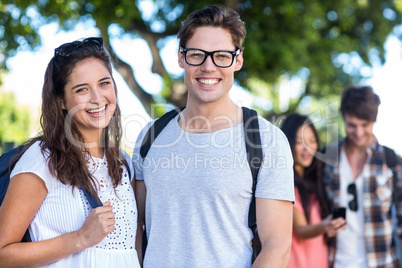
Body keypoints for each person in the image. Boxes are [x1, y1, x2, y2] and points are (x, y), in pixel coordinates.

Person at [132, 5, 294, 268]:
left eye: (221, 56)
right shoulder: (150, 137)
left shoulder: (267, 140)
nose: (208, 67)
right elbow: (135, 227)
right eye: (197, 54)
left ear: (237, 60)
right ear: (181, 58)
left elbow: (277, 247)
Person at [0, 37, 141, 267]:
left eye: (104, 83)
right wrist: (80, 238)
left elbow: (132, 249)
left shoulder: (124, 162)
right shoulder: (42, 159)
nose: (97, 98)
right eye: (82, 89)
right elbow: (2, 253)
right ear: (62, 100)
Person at [322, 86, 402, 268]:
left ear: (374, 120)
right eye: (351, 125)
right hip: (334, 261)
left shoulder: (392, 161)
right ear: (343, 118)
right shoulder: (327, 158)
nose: (358, 133)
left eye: (364, 125)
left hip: (382, 262)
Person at [281, 114, 346, 268]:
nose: (307, 148)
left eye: (312, 141)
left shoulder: (313, 182)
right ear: (287, 143)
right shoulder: (286, 182)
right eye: (299, 142)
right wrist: (324, 226)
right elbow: (301, 229)